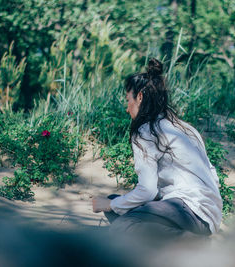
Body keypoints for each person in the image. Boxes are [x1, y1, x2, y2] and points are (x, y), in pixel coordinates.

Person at [92, 58, 222, 239]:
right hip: (209, 216)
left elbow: (148, 190)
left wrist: (110, 206)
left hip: (187, 209)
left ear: (140, 97)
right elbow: (213, 176)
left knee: (122, 222)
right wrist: (115, 204)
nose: (126, 108)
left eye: (127, 100)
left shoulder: (146, 130)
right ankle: (168, 240)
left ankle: (188, 243)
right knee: (117, 202)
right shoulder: (184, 128)